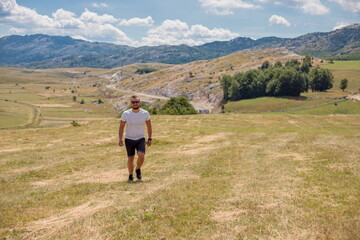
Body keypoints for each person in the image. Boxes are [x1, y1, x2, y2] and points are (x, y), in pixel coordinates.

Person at [119, 95, 152, 182]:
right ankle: (130, 175)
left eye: (137, 102)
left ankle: (138, 169)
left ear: (140, 103)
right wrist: (120, 139)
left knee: (141, 155)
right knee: (131, 158)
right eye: (133, 102)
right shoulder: (126, 113)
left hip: (140, 138)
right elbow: (121, 126)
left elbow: (149, 126)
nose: (135, 104)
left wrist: (150, 138)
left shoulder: (145, 113)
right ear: (131, 103)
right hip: (129, 139)